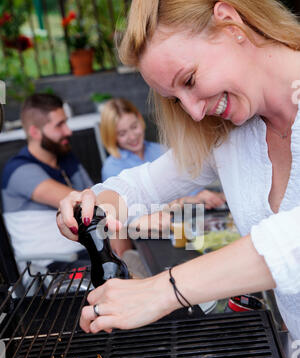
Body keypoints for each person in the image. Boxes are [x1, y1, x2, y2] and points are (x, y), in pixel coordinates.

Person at [57, 0, 300, 340]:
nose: (195, 113)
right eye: (175, 99)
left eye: (189, 79)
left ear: (230, 22)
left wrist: (163, 291)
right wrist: (92, 207)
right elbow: (141, 185)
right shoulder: (231, 135)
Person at [100, 97, 226, 258]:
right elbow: (135, 216)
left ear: (140, 119)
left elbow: (190, 185)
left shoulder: (160, 149)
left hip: (183, 226)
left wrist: (204, 196)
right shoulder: (113, 168)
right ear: (111, 136)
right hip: (151, 241)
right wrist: (183, 201)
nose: (132, 136)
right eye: (122, 133)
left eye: (134, 127)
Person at [1, 93, 93, 271]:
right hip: (50, 267)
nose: (68, 131)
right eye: (59, 125)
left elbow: (98, 197)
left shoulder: (66, 156)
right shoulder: (19, 171)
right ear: (35, 132)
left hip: (84, 253)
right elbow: (86, 202)